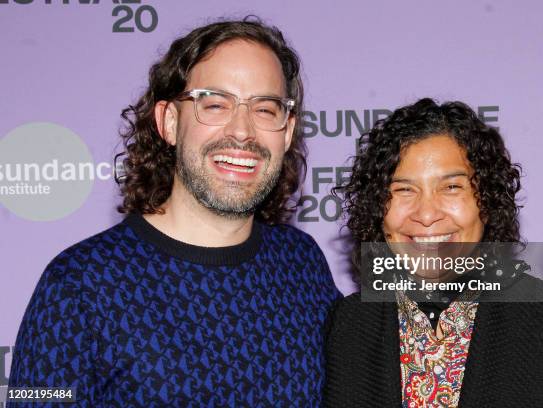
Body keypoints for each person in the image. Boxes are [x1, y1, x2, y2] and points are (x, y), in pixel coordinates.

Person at [8, 18, 339, 406]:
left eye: (265, 109)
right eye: (215, 104)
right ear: (168, 121)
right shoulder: (78, 284)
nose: (243, 131)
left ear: (287, 131)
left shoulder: (301, 262)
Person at [323, 98, 543, 407]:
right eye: (404, 189)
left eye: (451, 188)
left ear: (486, 201)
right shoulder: (347, 326)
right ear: (378, 207)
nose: (426, 214)